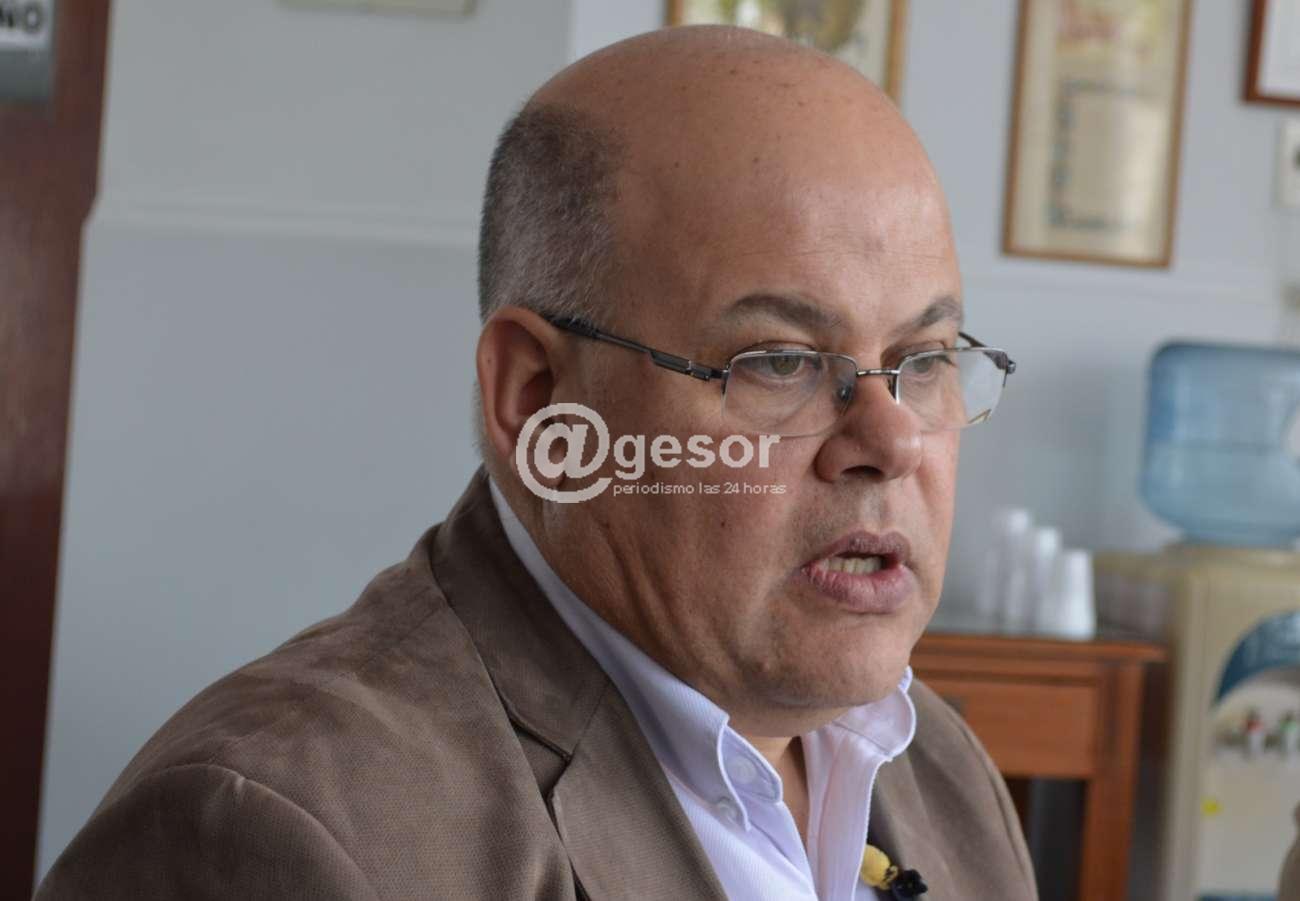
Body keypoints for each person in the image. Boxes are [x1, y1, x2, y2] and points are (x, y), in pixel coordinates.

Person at [36, 25, 1034, 901]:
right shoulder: (280, 833)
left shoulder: (939, 770)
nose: (892, 442)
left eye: (924, 360)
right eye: (780, 361)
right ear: (537, 396)